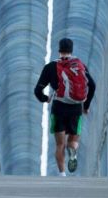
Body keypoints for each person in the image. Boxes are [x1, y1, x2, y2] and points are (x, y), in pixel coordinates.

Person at [34, 38, 96, 175]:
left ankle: (62, 175)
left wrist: (46, 98)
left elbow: (37, 91)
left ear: (59, 50)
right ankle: (73, 149)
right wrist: (86, 105)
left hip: (59, 108)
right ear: (71, 50)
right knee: (73, 140)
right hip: (76, 108)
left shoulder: (50, 67)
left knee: (59, 145)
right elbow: (92, 85)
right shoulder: (80, 65)